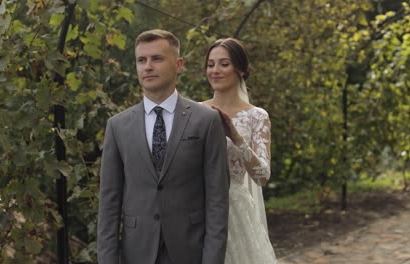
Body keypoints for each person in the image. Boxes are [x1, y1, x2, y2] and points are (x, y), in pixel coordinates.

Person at [97, 29, 230, 264]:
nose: (148, 66)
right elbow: (109, 203)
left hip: (190, 251)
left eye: (157, 58)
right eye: (141, 60)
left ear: (179, 64)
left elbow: (217, 202)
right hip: (136, 253)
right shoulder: (117, 126)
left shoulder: (206, 121)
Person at [202, 37, 277, 264]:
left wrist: (235, 136)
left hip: (233, 210)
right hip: (195, 208)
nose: (215, 70)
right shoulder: (193, 112)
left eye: (224, 64)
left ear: (241, 70)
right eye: (211, 64)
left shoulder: (257, 116)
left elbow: (262, 175)